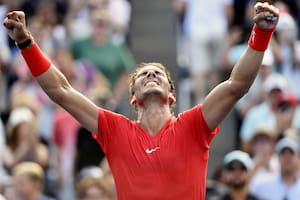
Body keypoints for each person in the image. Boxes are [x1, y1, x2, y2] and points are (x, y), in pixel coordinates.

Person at [2, 2, 279, 199]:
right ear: (133, 97)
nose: (150, 74)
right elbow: (61, 91)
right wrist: (26, 42)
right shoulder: (115, 129)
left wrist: (262, 33)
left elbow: (237, 85)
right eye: (143, 74)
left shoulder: (194, 124)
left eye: (158, 73)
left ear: (171, 94)